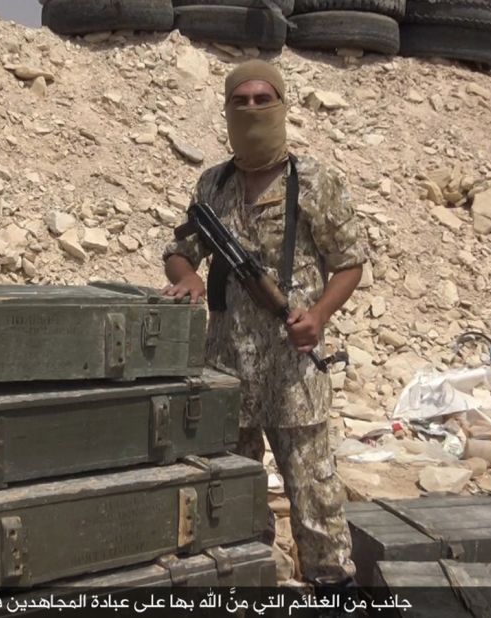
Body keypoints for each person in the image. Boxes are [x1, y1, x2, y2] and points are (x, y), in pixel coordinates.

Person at [162, 60, 369, 589]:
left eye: (263, 98)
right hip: (228, 370)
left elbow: (349, 262)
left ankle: (331, 589)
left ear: (281, 104)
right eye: (241, 101)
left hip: (294, 373)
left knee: (317, 504)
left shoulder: (315, 181)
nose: (251, 108)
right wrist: (189, 280)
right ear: (227, 109)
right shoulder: (214, 184)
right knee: (236, 499)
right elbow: (180, 251)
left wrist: (317, 317)